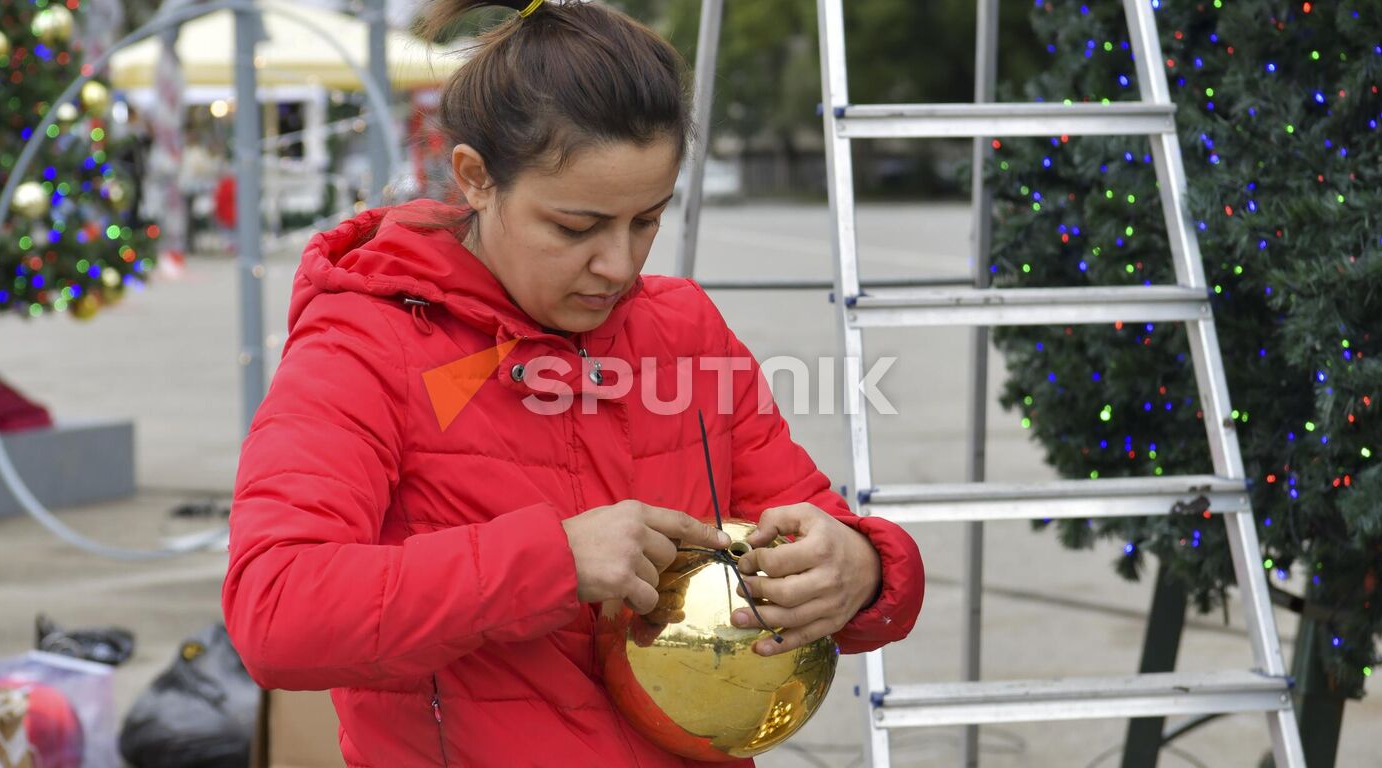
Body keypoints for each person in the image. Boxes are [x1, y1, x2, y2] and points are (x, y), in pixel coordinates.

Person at [219, 1, 926, 765]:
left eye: (646, 221)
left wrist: (862, 569)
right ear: (476, 178)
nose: (619, 266)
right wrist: (551, 563)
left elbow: (811, 528)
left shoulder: (683, 329)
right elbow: (276, 612)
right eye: (576, 227)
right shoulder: (366, 343)